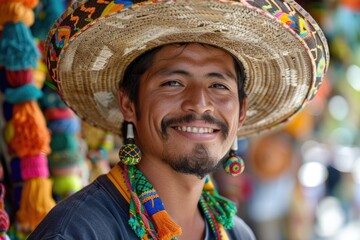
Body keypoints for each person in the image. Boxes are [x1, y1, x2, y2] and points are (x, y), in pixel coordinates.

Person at [28, 0, 329, 239]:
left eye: (218, 86)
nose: (199, 103)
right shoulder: (77, 232)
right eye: (173, 83)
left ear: (241, 113)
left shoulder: (237, 234)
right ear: (129, 103)